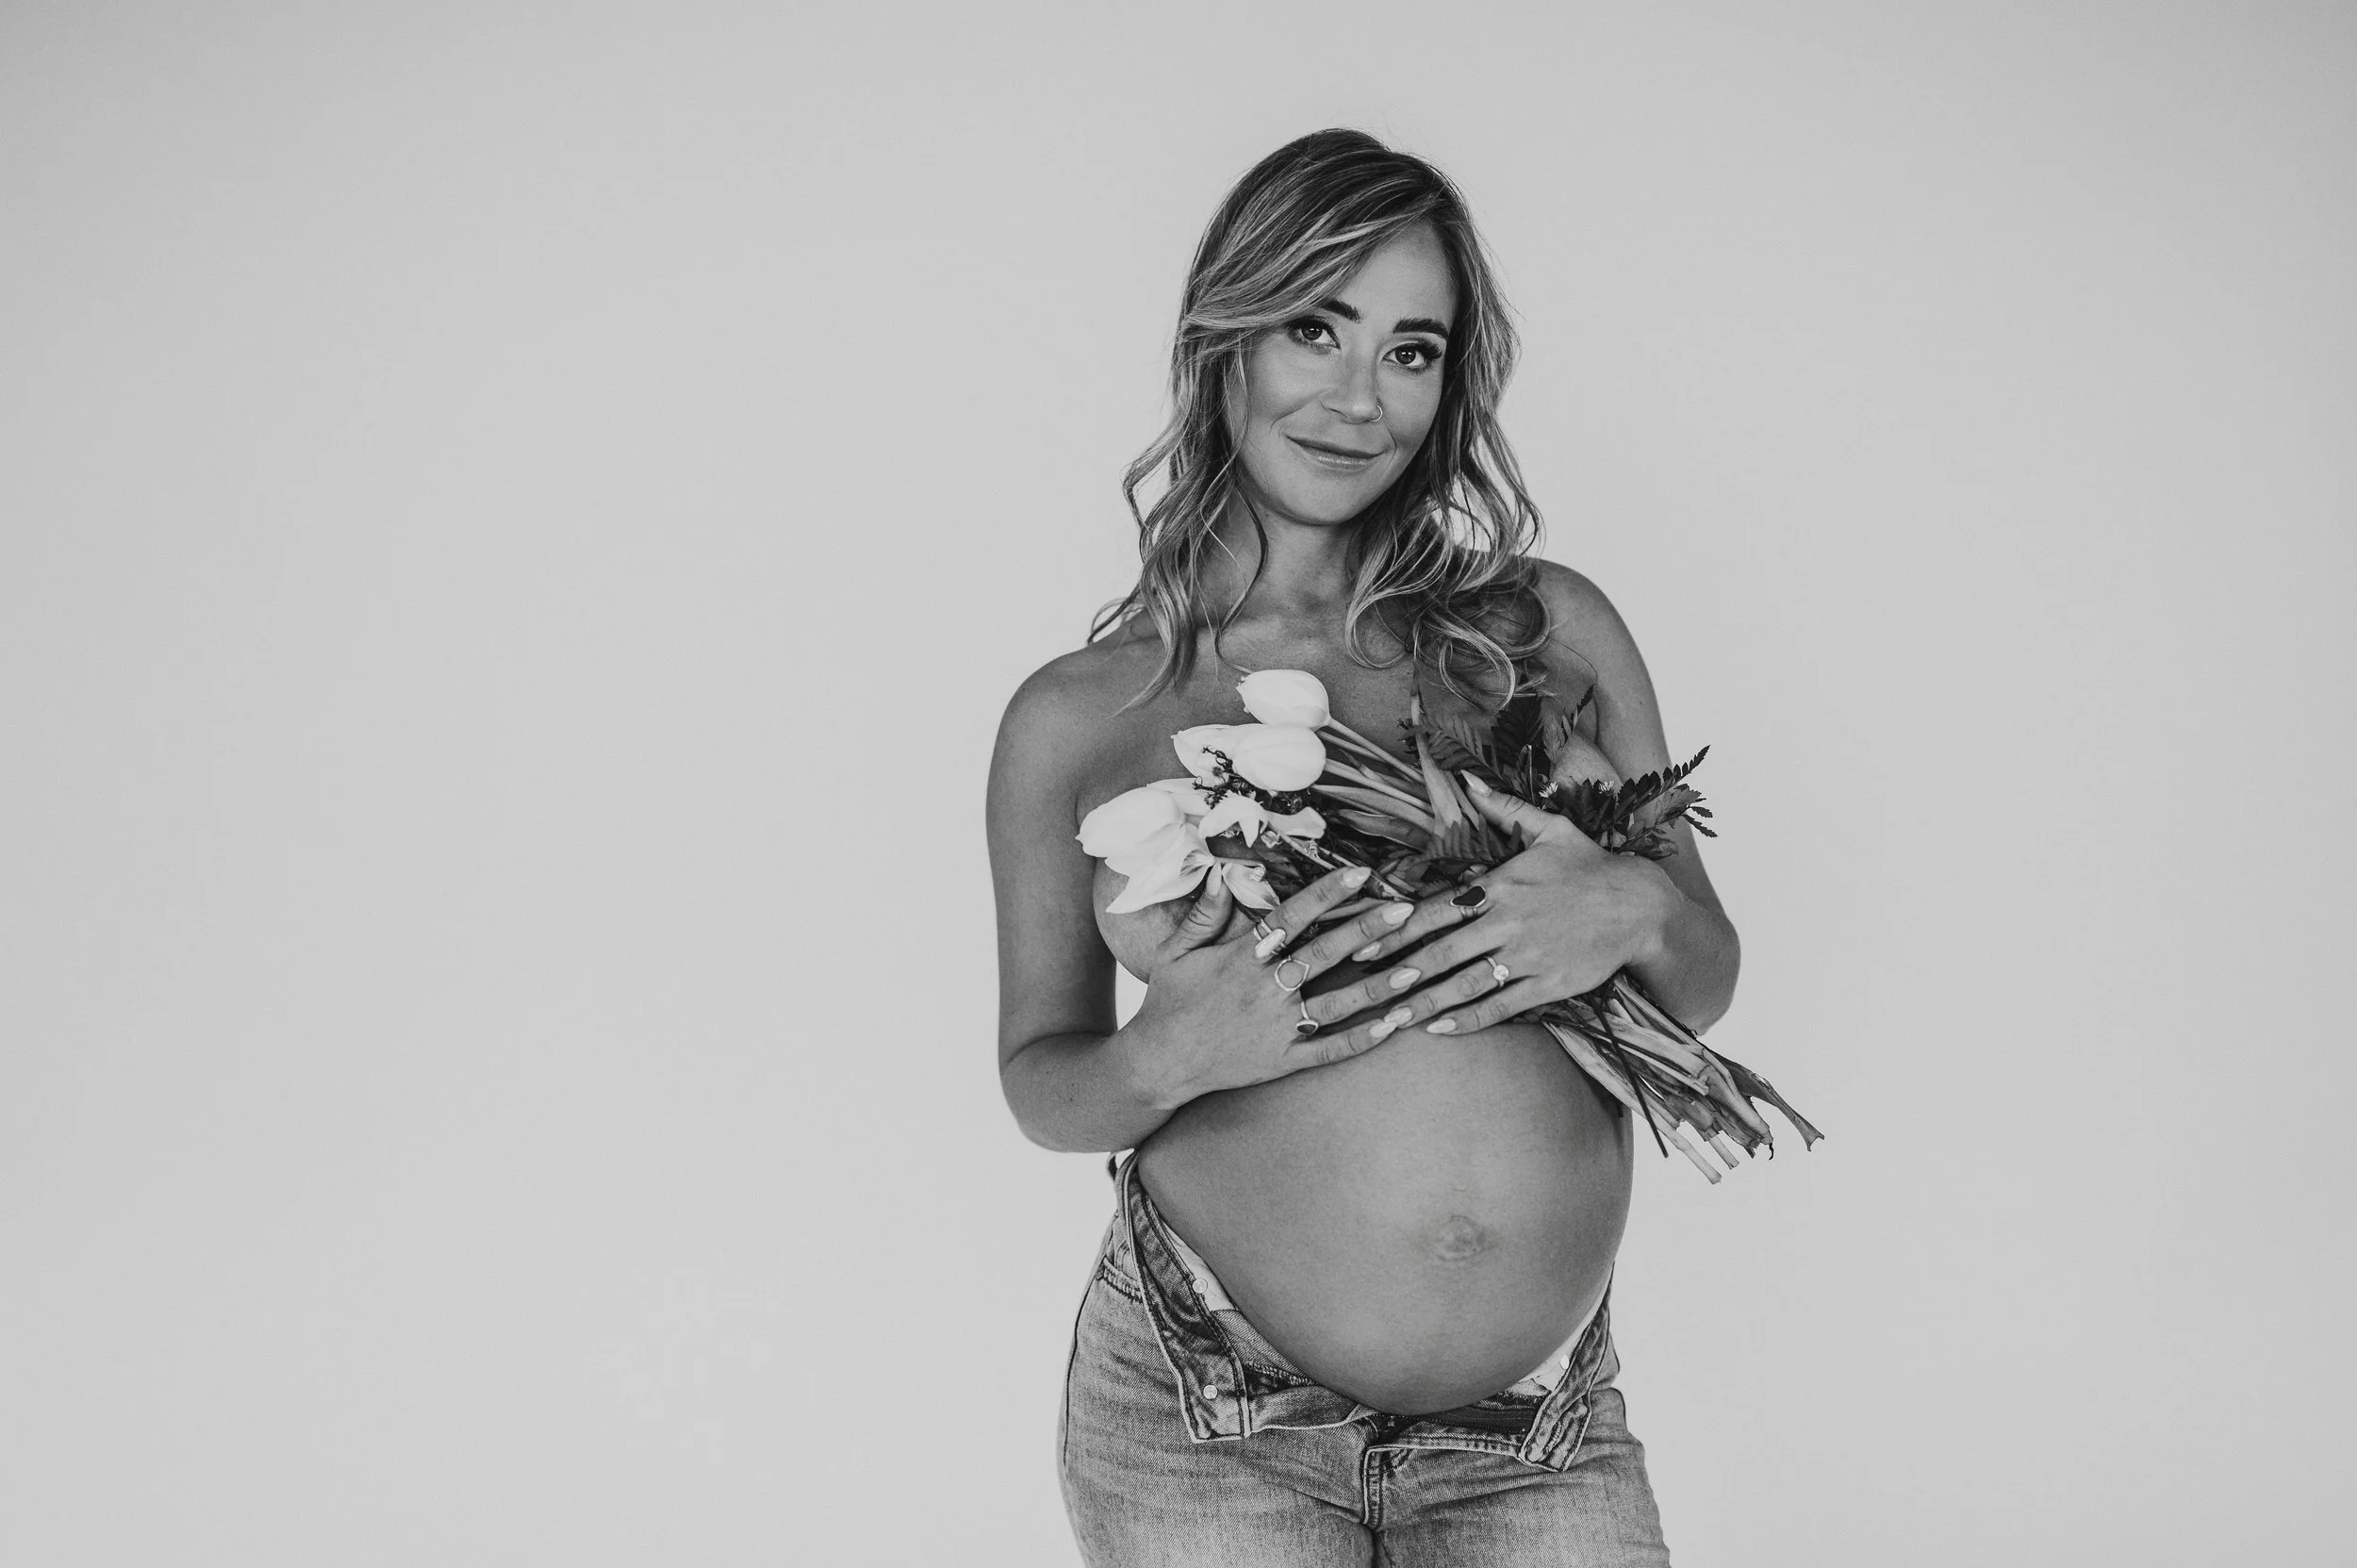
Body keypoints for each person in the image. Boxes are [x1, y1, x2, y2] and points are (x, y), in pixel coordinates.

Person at [986, 128, 1737, 1564]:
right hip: (1209, 1418)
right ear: (1226, 342)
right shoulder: (1079, 716)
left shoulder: (1547, 636)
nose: (1355, 396)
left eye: (1412, 348)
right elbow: (1042, 1080)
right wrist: (1179, 1051)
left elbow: (1704, 977)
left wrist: (1629, 902)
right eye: (1313, 329)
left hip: (1538, 1432)